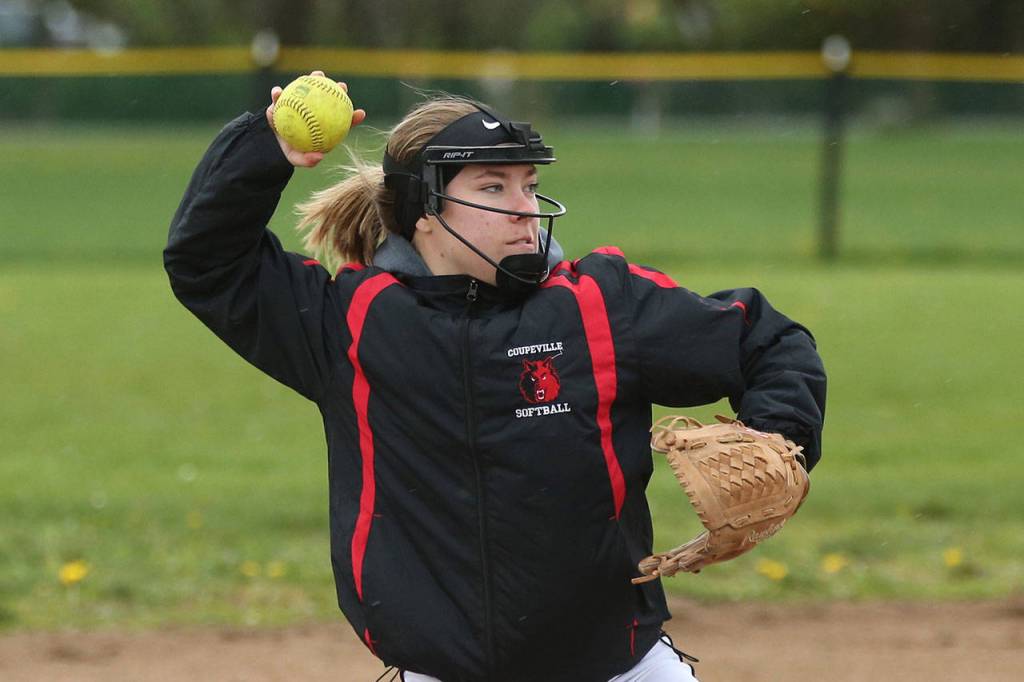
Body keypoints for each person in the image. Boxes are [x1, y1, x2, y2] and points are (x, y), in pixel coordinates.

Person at [165, 70, 826, 682]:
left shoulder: (598, 306)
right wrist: (266, 147)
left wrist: (779, 435)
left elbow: (765, 340)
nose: (522, 207)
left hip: (616, 670)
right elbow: (207, 263)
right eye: (492, 186)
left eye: (528, 185)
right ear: (424, 206)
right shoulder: (352, 325)